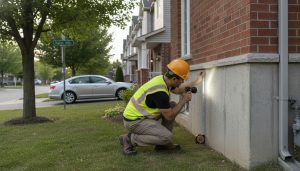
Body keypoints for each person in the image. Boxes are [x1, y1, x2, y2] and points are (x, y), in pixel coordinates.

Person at [119, 58, 204, 155]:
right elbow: (169, 116)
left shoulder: (163, 80)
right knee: (166, 137)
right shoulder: (160, 92)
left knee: (171, 105)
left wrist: (196, 81)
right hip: (134, 121)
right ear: (174, 79)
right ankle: (129, 139)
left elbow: (179, 89)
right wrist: (183, 101)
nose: (182, 83)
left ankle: (162, 145)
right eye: (182, 80)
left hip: (141, 116)